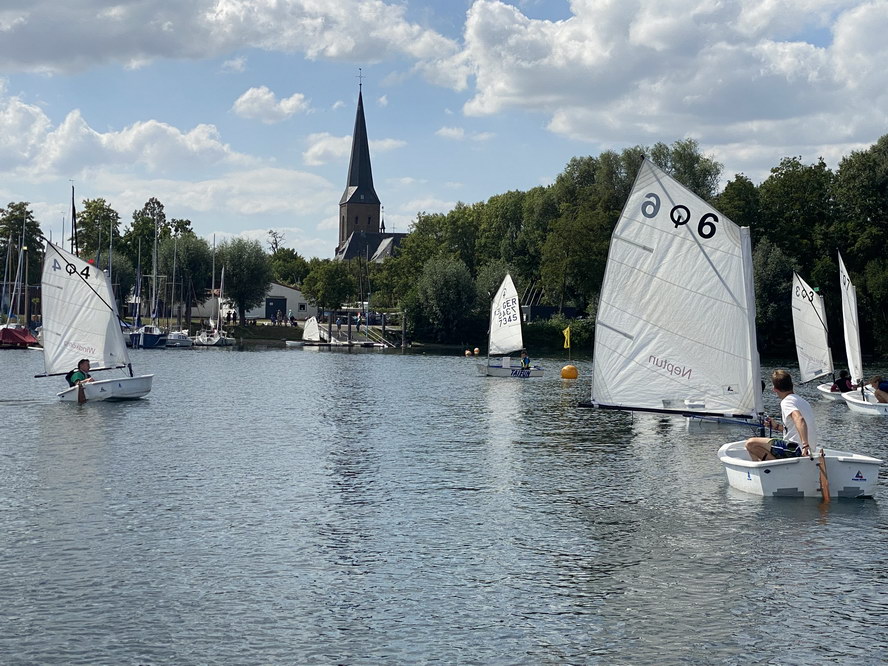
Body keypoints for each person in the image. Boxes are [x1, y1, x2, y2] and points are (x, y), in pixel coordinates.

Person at [745, 369, 819, 461]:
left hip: (796, 449)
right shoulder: (803, 402)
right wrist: (776, 426)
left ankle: (775, 466)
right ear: (792, 385)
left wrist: (805, 445)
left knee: (750, 444)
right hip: (807, 449)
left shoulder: (786, 401)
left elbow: (799, 419)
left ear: (775, 389)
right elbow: (795, 429)